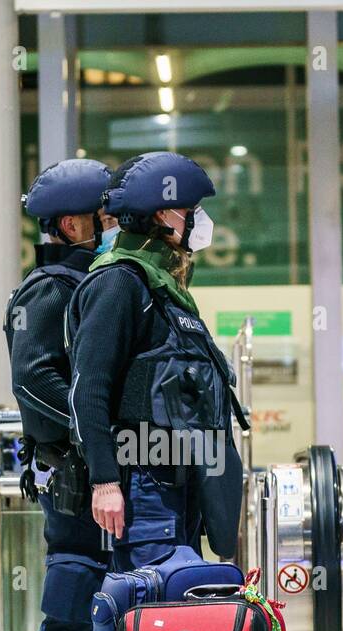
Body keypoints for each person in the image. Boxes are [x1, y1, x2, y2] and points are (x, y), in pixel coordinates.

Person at [67, 152, 245, 572]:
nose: (198, 220)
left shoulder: (163, 286)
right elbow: (89, 388)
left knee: (180, 618)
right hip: (143, 490)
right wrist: (105, 482)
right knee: (154, 620)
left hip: (178, 489)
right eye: (191, 211)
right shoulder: (119, 282)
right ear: (164, 214)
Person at [5, 159, 116, 631]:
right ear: (73, 223)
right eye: (104, 219)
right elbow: (33, 381)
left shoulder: (84, 281)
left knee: (90, 606)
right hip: (70, 475)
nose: (112, 228)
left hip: (80, 469)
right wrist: (90, 434)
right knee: (71, 608)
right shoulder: (50, 288)